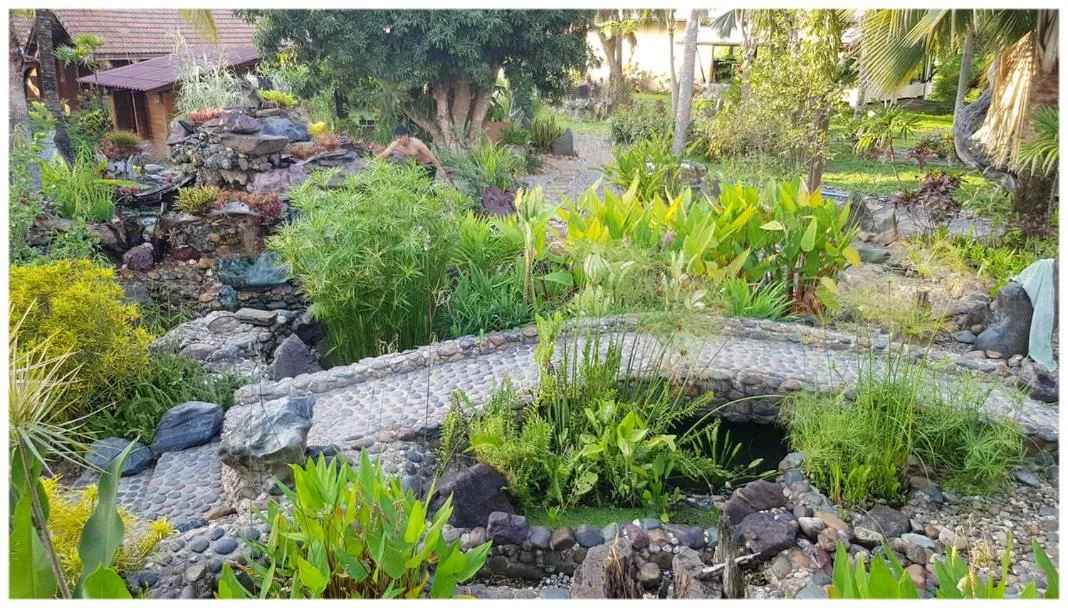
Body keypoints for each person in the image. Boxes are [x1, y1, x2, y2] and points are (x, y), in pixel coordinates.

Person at [373, 125, 452, 183]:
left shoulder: (416, 144)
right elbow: (385, 153)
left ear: (406, 135)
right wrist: (373, 161)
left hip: (428, 165)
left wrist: (440, 169)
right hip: (416, 166)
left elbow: (430, 155)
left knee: (427, 185)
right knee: (414, 184)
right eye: (397, 137)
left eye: (400, 137)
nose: (399, 140)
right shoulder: (396, 144)